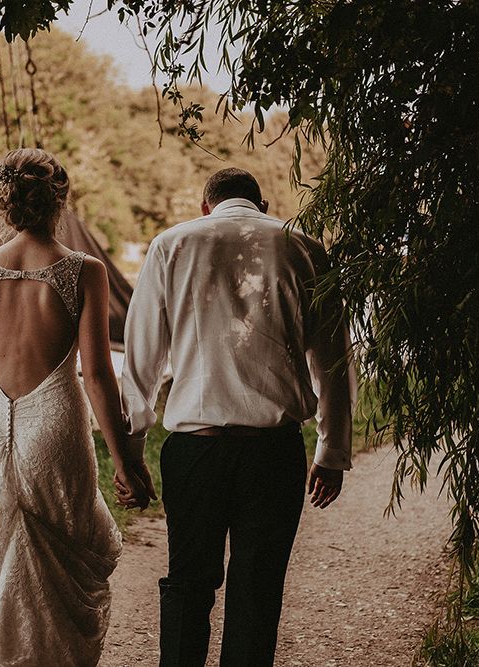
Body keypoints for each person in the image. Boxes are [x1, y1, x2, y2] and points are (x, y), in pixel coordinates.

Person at [119, 168, 355, 666]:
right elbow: (333, 361)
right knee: (258, 586)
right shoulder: (306, 249)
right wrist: (331, 452)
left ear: (206, 206)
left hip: (195, 449)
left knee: (187, 582)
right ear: (262, 205)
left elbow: (142, 362)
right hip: (274, 452)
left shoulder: (171, 245)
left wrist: (131, 454)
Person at [0, 148, 154, 666]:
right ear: (60, 201)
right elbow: (99, 376)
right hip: (54, 421)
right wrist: (125, 463)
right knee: (59, 555)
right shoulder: (85, 271)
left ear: (5, 204)